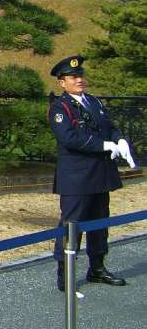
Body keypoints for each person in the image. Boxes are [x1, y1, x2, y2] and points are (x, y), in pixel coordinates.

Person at [48, 54, 134, 292]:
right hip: (76, 177)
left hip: (100, 174)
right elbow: (70, 138)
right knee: (72, 226)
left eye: (81, 76)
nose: (79, 80)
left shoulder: (93, 102)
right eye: (73, 77)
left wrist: (119, 139)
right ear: (62, 82)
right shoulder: (60, 107)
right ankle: (65, 277)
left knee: (100, 224)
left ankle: (97, 267)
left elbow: (109, 127)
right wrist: (104, 145)